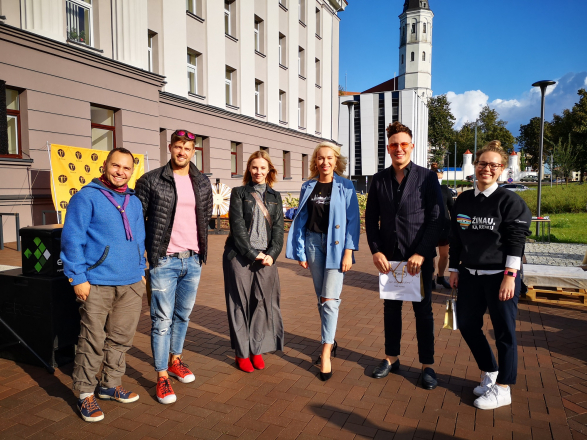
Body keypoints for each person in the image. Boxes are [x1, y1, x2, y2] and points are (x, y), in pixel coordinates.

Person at [61, 148, 146, 422]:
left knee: (121, 339)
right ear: (105, 166)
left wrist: (140, 270)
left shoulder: (134, 201)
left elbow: (139, 239)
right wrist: (78, 277)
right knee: (92, 340)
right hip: (96, 282)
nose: (121, 172)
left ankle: (110, 385)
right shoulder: (86, 197)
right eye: (116, 166)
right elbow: (72, 240)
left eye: (126, 168)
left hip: (130, 283)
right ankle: (85, 393)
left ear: (132, 171)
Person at [449, 140, 531, 410]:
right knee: (467, 325)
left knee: (504, 332)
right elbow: (456, 237)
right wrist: (453, 268)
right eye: (482, 163)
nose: (487, 168)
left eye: (493, 165)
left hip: (500, 276)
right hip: (469, 276)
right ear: (475, 166)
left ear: (502, 169)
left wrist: (510, 275)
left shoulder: (510, 201)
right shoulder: (463, 200)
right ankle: (491, 371)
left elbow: (516, 241)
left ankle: (504, 388)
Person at [135, 130, 213, 404]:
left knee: (183, 316)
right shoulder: (151, 180)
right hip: (164, 260)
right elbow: (137, 221)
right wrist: (143, 258)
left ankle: (175, 360)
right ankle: (162, 376)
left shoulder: (202, 181)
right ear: (170, 148)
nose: (182, 152)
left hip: (193, 259)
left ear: (193, 151)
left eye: (187, 148)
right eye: (178, 147)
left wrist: (200, 252)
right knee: (161, 321)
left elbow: (205, 216)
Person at [365, 122, 443, 389]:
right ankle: (391, 357)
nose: (399, 148)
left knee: (423, 312)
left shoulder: (427, 177)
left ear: (411, 146)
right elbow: (371, 219)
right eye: (394, 145)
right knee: (391, 310)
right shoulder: (379, 179)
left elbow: (436, 218)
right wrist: (375, 250)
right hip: (390, 258)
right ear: (388, 148)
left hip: (418, 258)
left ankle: (427, 365)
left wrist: (422, 252)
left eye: (403, 144)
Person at [286, 141, 360, 381]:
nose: (325, 162)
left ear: (336, 161)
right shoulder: (308, 186)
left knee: (329, 300)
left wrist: (349, 252)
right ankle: (330, 340)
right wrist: (300, 250)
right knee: (322, 299)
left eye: (329, 158)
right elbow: (301, 218)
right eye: (320, 158)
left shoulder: (346, 186)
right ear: (315, 161)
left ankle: (325, 351)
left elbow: (353, 221)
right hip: (313, 244)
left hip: (336, 247)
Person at [223, 151, 284, 372]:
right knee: (239, 303)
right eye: (254, 167)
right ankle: (242, 353)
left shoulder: (275, 196)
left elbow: (279, 230)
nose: (258, 172)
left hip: (266, 257)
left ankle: (256, 349)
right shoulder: (239, 193)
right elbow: (237, 227)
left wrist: (272, 253)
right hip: (239, 255)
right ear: (249, 169)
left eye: (263, 168)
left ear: (269, 170)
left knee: (261, 302)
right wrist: (251, 253)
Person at [431, 166, 454, 289]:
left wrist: (455, 223)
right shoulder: (425, 188)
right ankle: (430, 279)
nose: (439, 175)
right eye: (436, 173)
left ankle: (440, 277)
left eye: (440, 173)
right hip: (429, 226)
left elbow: (452, 207)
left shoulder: (445, 189)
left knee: (444, 254)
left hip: (445, 226)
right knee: (430, 255)